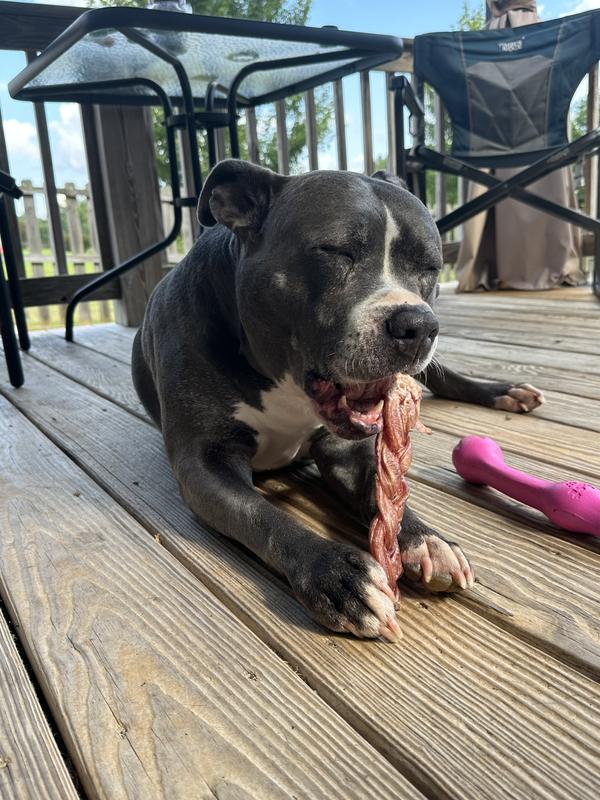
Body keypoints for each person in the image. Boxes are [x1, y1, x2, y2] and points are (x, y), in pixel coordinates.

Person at [455, 0, 587, 291]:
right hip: (546, 150)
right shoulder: (546, 43)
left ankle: (492, 264)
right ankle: (550, 260)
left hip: (487, 151)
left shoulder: (484, 49)